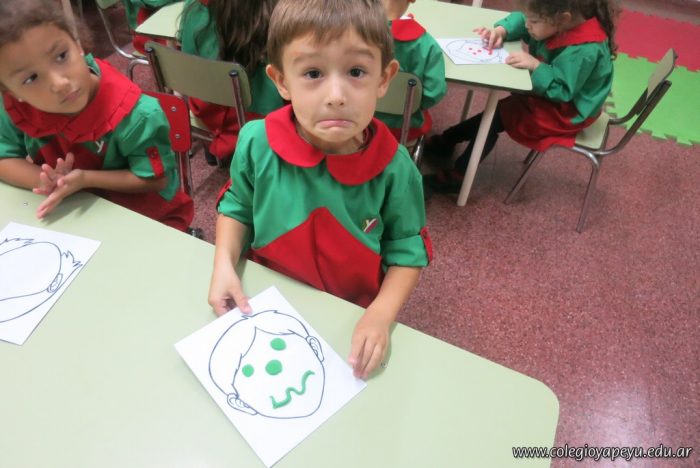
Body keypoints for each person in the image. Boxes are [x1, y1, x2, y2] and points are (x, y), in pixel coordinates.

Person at [208, 0, 432, 380]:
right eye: (313, 73)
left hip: (349, 314)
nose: (336, 96)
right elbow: (237, 208)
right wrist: (223, 265)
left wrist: (380, 315)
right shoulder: (256, 142)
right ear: (281, 81)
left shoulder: (396, 170)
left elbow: (407, 252)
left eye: (356, 71)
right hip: (264, 298)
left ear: (384, 78)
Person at [0, 0, 193, 231]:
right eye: (31, 78)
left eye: (61, 56)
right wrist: (50, 181)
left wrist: (84, 179)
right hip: (77, 211)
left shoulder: (137, 115)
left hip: (147, 216)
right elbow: (4, 158)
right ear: (11, 92)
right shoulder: (16, 106)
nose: (59, 84)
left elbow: (156, 180)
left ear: (77, 44)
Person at [424, 0, 619, 192]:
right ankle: (448, 140)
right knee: (496, 114)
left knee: (495, 118)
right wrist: (502, 30)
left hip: (568, 112)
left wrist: (536, 66)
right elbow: (522, 18)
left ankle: (459, 175)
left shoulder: (584, 50)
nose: (527, 25)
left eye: (533, 21)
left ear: (562, 19)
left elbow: (561, 91)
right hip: (556, 96)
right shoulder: (557, 21)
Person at [177, 0, 284, 165]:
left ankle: (216, 147)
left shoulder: (195, 10)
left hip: (207, 108)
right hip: (261, 115)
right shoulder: (278, 14)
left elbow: (185, 52)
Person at [375, 0, 446, 143]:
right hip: (404, 129)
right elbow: (433, 93)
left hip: (357, 124)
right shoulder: (428, 45)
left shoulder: (352, 32)